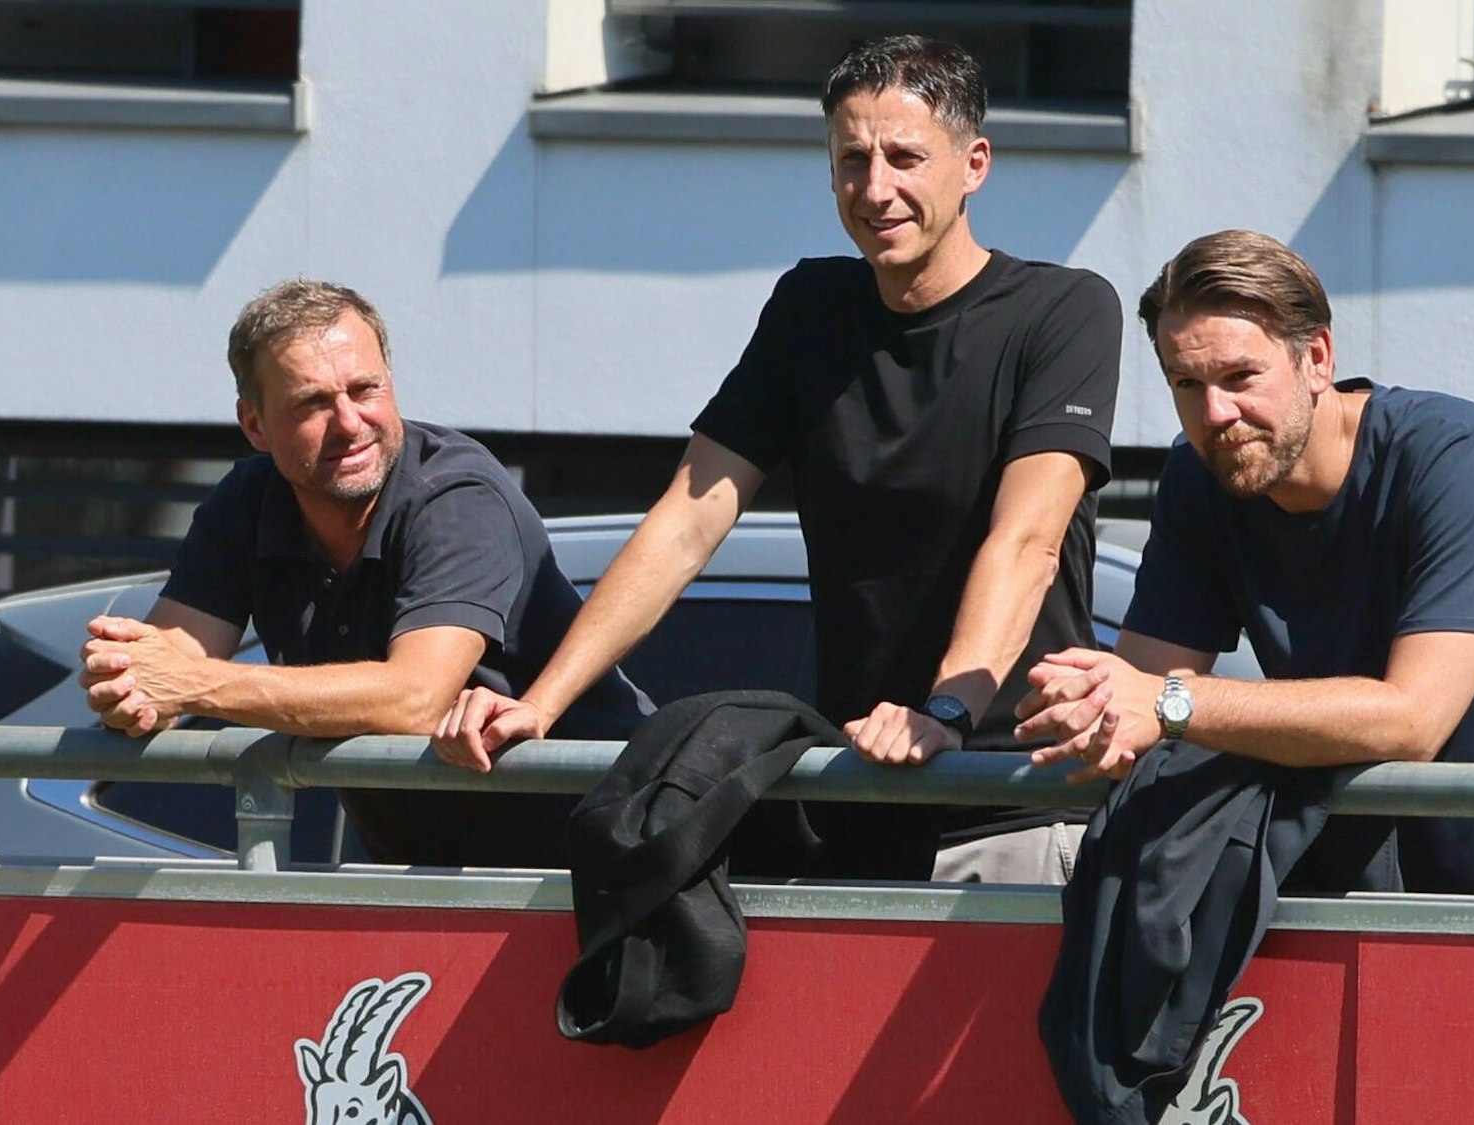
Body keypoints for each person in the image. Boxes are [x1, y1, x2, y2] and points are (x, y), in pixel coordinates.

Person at [433, 35, 1122, 881]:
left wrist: (944, 709)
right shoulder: (811, 308)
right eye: (851, 160)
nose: (876, 189)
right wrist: (541, 705)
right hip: (856, 795)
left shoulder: (1063, 312)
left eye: (905, 157)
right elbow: (689, 517)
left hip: (1010, 800)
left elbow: (1028, 542)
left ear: (973, 163)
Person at [1016, 229, 1474, 899]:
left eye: (1241, 377)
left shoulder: (1451, 450)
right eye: (1186, 384)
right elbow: (1138, 698)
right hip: (1461, 864)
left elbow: (1411, 718)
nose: (1215, 413)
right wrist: (1072, 709)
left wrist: (1170, 706)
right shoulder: (1199, 479)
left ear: (1316, 360)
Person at [77, 279, 648, 866]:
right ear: (254, 426)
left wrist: (193, 686)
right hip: (420, 882)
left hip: (600, 868)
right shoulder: (246, 502)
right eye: (312, 403)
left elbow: (414, 699)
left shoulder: (455, 497)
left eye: (364, 389)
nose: (349, 423)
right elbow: (171, 655)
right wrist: (130, 679)